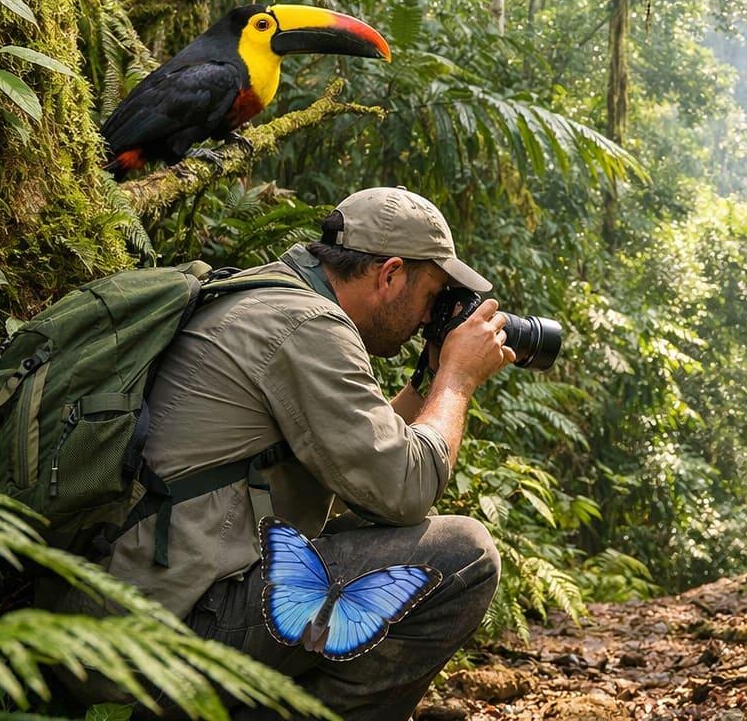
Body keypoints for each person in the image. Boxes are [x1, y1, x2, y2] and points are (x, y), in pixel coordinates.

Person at [55, 186, 514, 720]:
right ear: (390, 275)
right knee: (465, 554)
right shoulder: (308, 327)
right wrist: (456, 381)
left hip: (108, 621)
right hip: (159, 638)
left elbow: (363, 480)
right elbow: (405, 488)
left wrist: (429, 378)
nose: (428, 318)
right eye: (432, 298)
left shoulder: (270, 298)